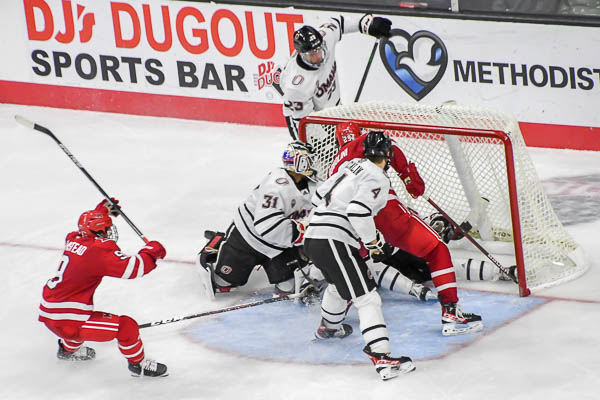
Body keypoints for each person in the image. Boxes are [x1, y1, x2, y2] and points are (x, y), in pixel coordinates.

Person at [329, 122, 483, 336]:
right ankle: (451, 313)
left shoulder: (333, 166)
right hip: (384, 211)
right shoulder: (366, 141)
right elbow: (394, 152)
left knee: (353, 272)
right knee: (436, 249)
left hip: (346, 224)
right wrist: (409, 178)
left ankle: (331, 324)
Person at [304, 131, 416, 381]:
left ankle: (329, 328)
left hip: (313, 237)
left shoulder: (351, 165)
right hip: (333, 239)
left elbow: (318, 196)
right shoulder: (378, 177)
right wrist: (372, 242)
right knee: (367, 298)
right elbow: (357, 211)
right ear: (387, 154)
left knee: (338, 285)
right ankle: (382, 358)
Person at [38, 199, 168, 377]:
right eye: (106, 228)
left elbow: (89, 229)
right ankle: (138, 365)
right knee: (126, 326)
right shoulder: (98, 250)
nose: (108, 232)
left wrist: (102, 211)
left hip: (51, 310)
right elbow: (133, 268)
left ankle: (67, 351)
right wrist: (152, 251)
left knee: (79, 323)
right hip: (67, 319)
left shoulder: (73, 238)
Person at [197, 142, 317, 298]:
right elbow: (267, 227)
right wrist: (302, 232)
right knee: (223, 283)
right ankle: (217, 243)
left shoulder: (311, 184)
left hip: (279, 246)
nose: (314, 164)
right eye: (310, 160)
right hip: (248, 238)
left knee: (289, 288)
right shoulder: (276, 187)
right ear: (300, 163)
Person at [279, 14, 392, 140]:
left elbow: (339, 23)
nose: (318, 56)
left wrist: (365, 24)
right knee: (328, 150)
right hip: (309, 120)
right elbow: (304, 124)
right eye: (312, 54)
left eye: (319, 50)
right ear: (301, 53)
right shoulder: (297, 86)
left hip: (335, 110)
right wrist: (327, 142)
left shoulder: (325, 39)